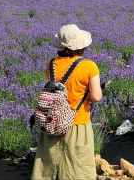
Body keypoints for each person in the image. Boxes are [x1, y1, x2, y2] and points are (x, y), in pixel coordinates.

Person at [32, 24, 102, 180]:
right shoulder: (88, 66)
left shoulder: (51, 65)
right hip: (77, 124)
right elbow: (96, 97)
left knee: (48, 169)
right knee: (77, 170)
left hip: (52, 122)